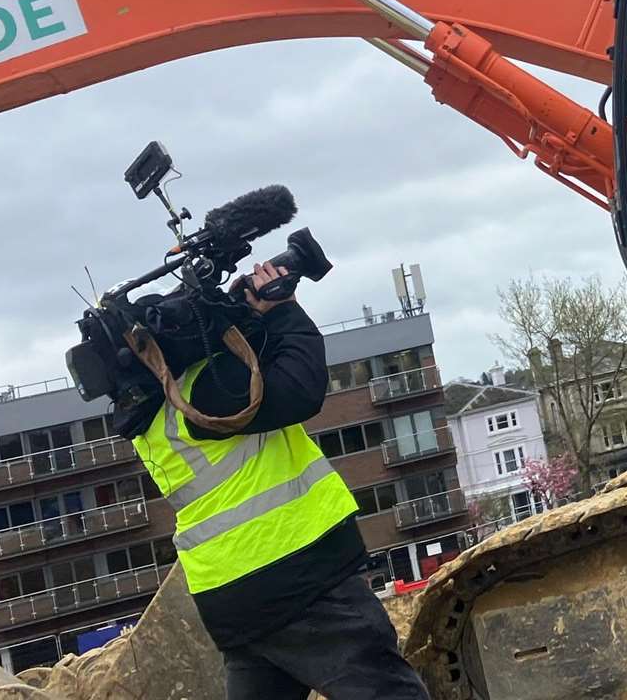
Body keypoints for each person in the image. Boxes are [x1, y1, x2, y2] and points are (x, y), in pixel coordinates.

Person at [125, 261, 430, 700]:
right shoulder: (206, 393)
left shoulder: (157, 420)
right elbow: (302, 387)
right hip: (297, 576)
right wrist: (283, 309)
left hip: (230, 596)